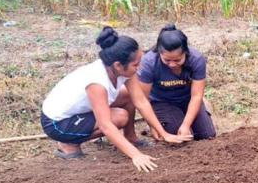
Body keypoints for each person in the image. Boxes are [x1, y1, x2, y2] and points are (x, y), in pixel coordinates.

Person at [41, 27, 172, 172]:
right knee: (120, 117)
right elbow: (105, 125)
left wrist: (163, 133)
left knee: (127, 95)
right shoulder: (97, 82)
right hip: (57, 123)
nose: (139, 68)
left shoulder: (122, 70)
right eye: (136, 65)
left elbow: (140, 101)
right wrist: (136, 155)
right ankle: (67, 143)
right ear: (118, 65)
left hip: (81, 111)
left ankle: (130, 137)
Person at [128, 24, 216, 142]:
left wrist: (185, 124)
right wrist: (153, 127)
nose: (172, 64)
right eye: (167, 60)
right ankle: (162, 120)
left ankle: (200, 109)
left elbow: (196, 96)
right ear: (160, 53)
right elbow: (143, 100)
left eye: (177, 60)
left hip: (188, 100)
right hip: (161, 102)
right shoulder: (148, 62)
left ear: (185, 52)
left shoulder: (196, 59)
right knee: (184, 139)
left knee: (207, 135)